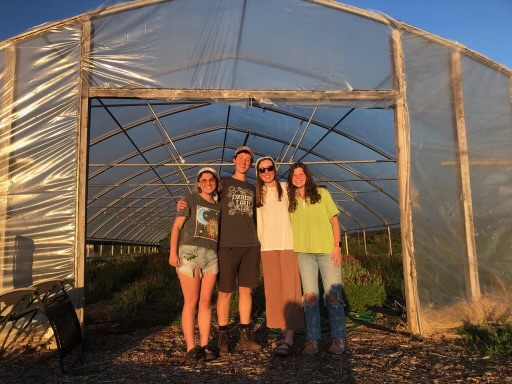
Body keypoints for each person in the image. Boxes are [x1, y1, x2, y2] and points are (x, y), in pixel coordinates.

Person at [177, 146, 262, 355]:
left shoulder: (253, 188)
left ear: (251, 163)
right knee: (225, 292)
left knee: (246, 291)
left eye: (247, 159)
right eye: (240, 158)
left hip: (250, 244)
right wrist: (183, 202)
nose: (243, 161)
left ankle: (244, 337)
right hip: (225, 245)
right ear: (234, 160)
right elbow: (203, 197)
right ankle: (223, 339)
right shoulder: (222, 184)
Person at [287, 162, 347, 355]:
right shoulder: (290, 200)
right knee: (310, 297)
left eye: (301, 173)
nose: (298, 177)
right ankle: (312, 340)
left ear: (307, 175)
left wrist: (337, 246)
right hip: (304, 253)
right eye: (294, 174)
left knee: (333, 296)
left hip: (326, 251)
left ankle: (338, 338)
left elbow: (334, 221)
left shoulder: (322, 194)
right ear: (290, 179)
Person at [169, 167, 222, 362]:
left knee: (206, 302)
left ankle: (205, 344)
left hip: (211, 255)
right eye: (204, 180)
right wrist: (172, 252)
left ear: (216, 183)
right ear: (198, 183)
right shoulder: (189, 199)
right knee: (191, 301)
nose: (208, 182)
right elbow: (177, 227)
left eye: (211, 179)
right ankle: (191, 347)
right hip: (190, 254)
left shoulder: (218, 206)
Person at [255, 156, 304, 357]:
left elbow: (304, 192)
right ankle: (283, 333)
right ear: (258, 174)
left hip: (288, 245)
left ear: (275, 169)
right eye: (262, 170)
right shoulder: (257, 193)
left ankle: (289, 337)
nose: (266, 172)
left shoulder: (286, 188)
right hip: (267, 247)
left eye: (269, 168)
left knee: (291, 291)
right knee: (274, 292)